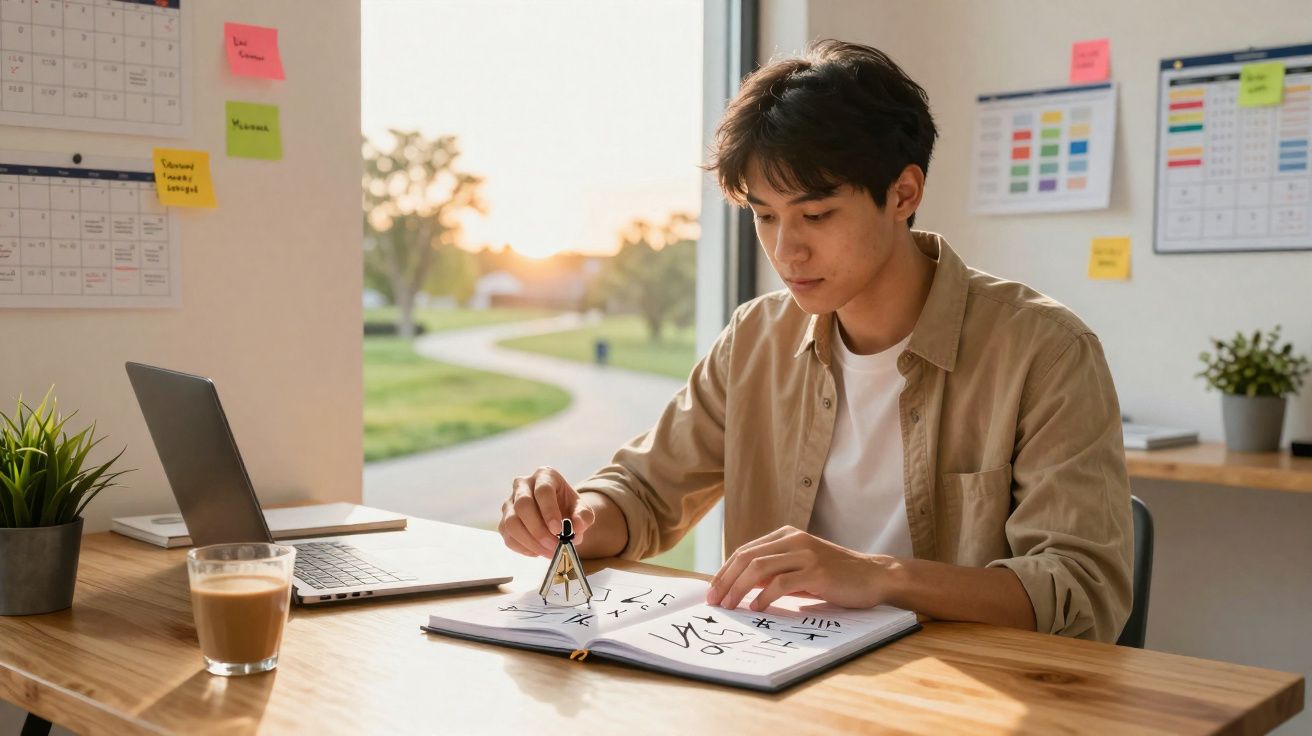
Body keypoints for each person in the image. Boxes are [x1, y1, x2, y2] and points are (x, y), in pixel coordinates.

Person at [498, 39, 1133, 642]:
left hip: (967, 700)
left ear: (903, 194)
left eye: (817, 215)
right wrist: (575, 521)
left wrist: (879, 577)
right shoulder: (755, 338)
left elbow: (1080, 593)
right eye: (764, 216)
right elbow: (642, 493)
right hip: (781, 689)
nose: (785, 249)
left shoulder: (1046, 351)